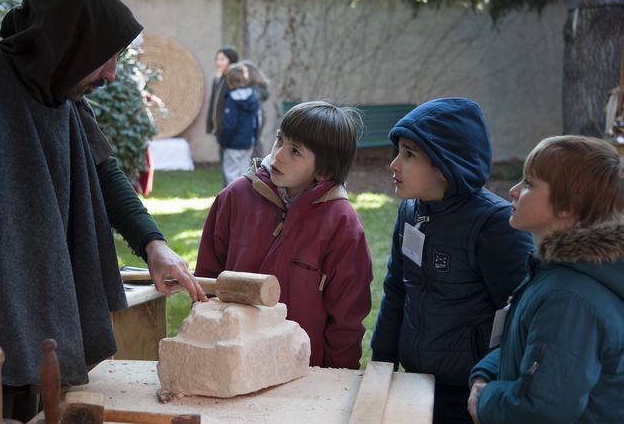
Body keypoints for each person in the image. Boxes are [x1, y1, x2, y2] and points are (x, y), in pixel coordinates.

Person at [0, 0, 206, 423]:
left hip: (40, 324)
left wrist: (153, 244)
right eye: (106, 57)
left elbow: (104, 173)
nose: (112, 73)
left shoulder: (63, 96)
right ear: (68, 41)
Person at [370, 98, 535, 424]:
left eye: (409, 154)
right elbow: (396, 289)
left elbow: (519, 316)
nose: (394, 164)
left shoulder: (495, 225)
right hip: (413, 381)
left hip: (467, 394)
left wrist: (486, 384)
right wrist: (382, 362)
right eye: (398, 151)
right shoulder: (410, 211)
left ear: (446, 165)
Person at [196, 101, 373, 369]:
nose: (278, 155)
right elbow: (207, 280)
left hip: (303, 371)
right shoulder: (234, 197)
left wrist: (338, 379)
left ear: (323, 170)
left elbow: (347, 317)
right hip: (233, 362)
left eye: (295, 151)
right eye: (280, 140)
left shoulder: (342, 223)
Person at [468, 136, 624, 424]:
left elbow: (541, 409)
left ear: (567, 206)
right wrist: (486, 373)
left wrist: (485, 400)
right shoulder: (557, 271)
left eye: (528, 184)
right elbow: (528, 344)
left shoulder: (570, 300)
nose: (513, 191)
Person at [218, 63, 261, 185]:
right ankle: (243, 201)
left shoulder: (232, 99)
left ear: (229, 82)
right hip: (249, 142)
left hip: (233, 144)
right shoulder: (254, 96)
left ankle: (232, 202)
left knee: (231, 175)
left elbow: (229, 124)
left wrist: (223, 142)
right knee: (244, 175)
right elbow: (258, 120)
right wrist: (255, 139)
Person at [205, 46, 239, 186]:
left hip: (230, 130)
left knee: (231, 168)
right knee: (225, 166)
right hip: (220, 130)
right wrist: (211, 125)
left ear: (231, 61)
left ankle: (231, 195)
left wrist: (227, 128)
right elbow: (214, 104)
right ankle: (227, 196)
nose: (218, 62)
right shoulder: (218, 78)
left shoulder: (235, 80)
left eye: (222, 59)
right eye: (217, 59)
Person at [237, 59, 270, 158]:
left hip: (253, 123)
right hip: (250, 124)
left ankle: (258, 170)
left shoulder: (254, 91)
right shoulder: (250, 90)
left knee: (255, 148)